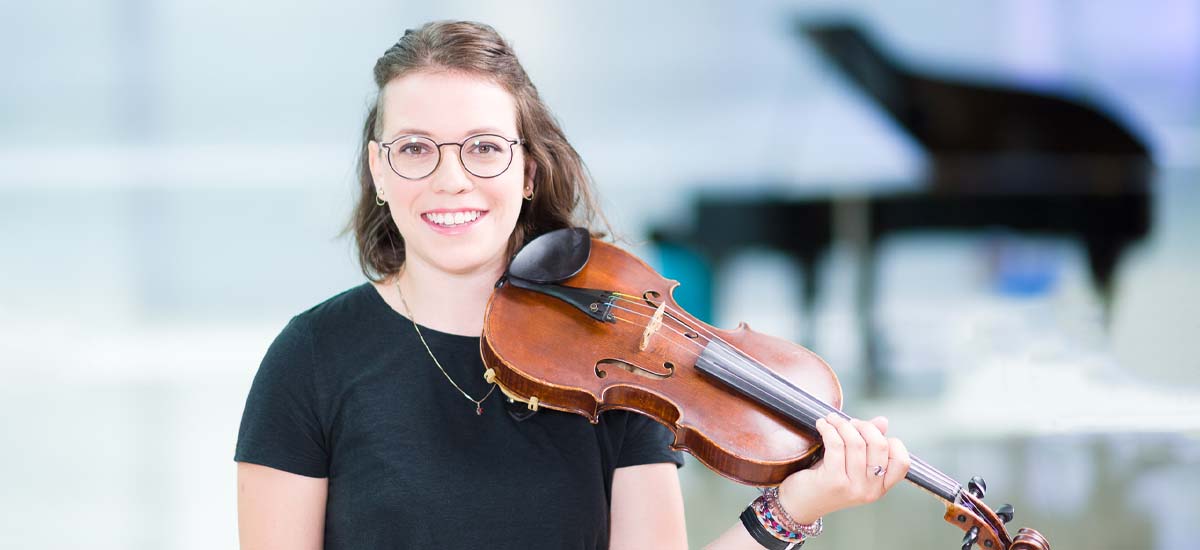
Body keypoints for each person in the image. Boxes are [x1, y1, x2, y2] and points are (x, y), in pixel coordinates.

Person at [235, 20, 910, 550]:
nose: (451, 180)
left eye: (483, 147)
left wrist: (794, 509)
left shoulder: (612, 358)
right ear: (378, 172)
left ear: (527, 173)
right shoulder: (311, 359)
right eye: (414, 147)